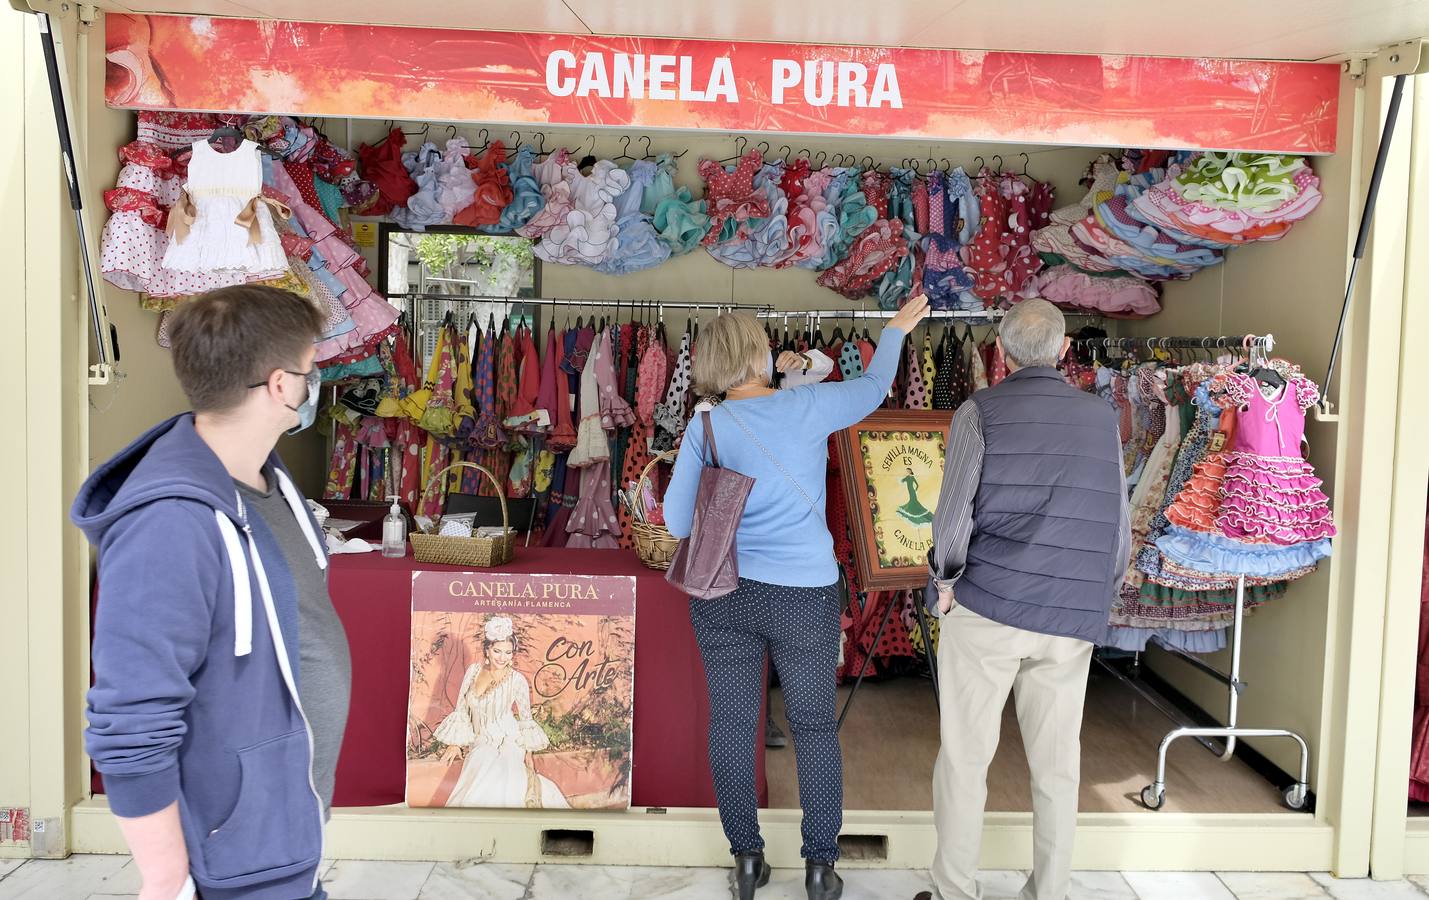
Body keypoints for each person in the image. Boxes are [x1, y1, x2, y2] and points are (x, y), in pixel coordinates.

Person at [73, 285, 348, 900]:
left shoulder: (267, 483)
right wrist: (166, 876)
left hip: (278, 832)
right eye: (311, 369)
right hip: (227, 856)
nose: (312, 383)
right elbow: (130, 714)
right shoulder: (168, 523)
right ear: (282, 386)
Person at [665, 294, 931, 900]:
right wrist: (891, 330)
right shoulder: (809, 405)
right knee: (814, 727)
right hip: (806, 593)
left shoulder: (704, 425)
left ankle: (748, 862)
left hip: (724, 593)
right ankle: (819, 866)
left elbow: (678, 523)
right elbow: (874, 386)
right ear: (761, 356)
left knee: (732, 724)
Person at [913, 299, 1130, 900]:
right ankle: (1050, 891)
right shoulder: (1100, 418)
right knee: (1059, 766)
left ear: (1001, 354)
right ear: (1064, 351)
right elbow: (1117, 523)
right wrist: (1098, 594)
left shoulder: (978, 411)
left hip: (989, 603)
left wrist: (945, 580)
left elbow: (952, 516)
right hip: (1069, 613)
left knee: (964, 757)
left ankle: (956, 890)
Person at [435, 615, 570, 809]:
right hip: (481, 739)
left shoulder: (517, 680)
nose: (502, 657)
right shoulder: (473, 672)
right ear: (487, 650)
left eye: (508, 652)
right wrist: (455, 744)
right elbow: (462, 708)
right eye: (497, 651)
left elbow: (526, 721)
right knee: (483, 758)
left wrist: (528, 755)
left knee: (503, 767)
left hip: (510, 739)